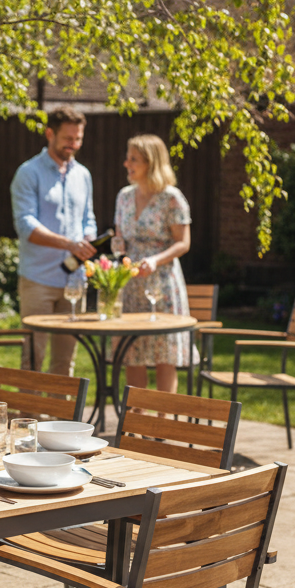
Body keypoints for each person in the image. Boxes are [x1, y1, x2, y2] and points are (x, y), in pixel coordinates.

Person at [11, 105, 97, 375]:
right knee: (33, 360)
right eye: (68, 139)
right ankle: (29, 417)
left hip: (74, 281)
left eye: (79, 139)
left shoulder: (83, 175)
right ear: (50, 133)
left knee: (64, 362)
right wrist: (69, 244)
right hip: (38, 280)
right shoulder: (28, 173)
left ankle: (61, 418)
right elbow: (26, 225)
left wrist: (88, 239)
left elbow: (88, 218)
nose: (74, 145)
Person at [114, 133, 195, 395]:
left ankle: (163, 424)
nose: (127, 164)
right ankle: (137, 422)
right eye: (127, 158)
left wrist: (155, 260)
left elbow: (183, 243)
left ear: (152, 163)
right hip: (131, 283)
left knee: (164, 354)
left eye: (133, 159)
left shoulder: (172, 198)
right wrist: (118, 252)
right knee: (132, 353)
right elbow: (119, 237)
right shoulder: (124, 196)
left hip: (162, 284)